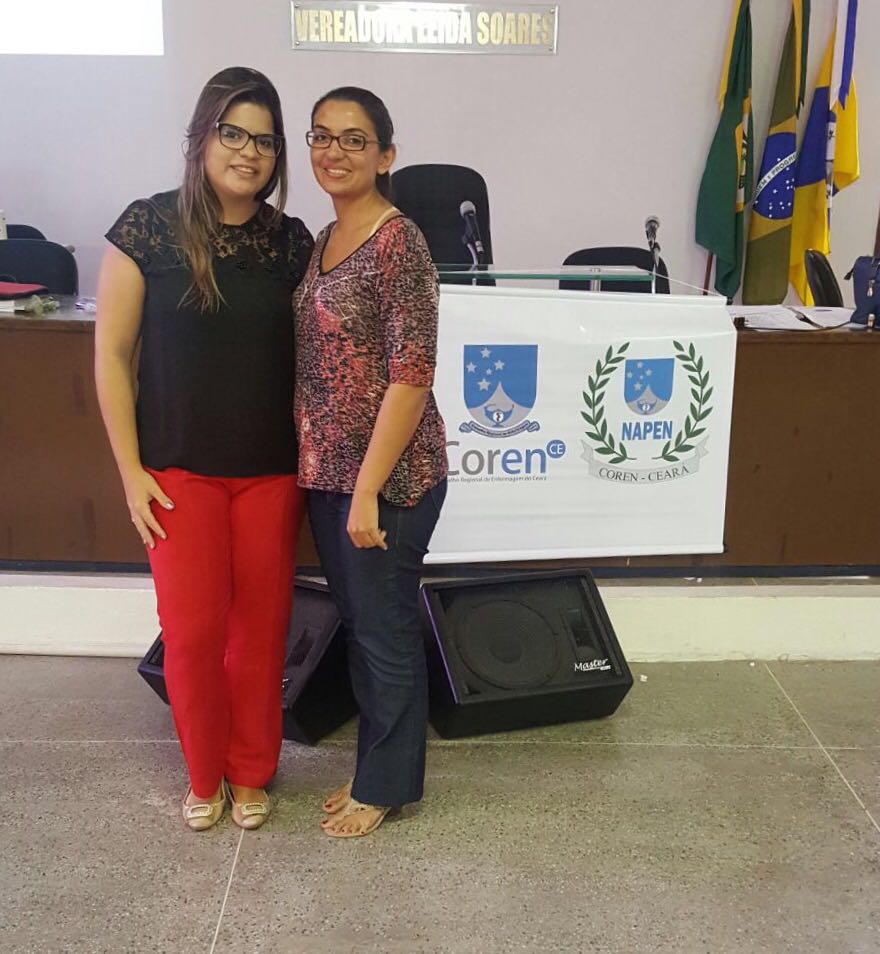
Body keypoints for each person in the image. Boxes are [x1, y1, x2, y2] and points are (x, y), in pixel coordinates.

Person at [95, 67, 313, 831]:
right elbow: (111, 356)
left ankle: (251, 770)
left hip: (270, 474)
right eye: (233, 132)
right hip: (176, 474)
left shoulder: (291, 243)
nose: (249, 151)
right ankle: (203, 774)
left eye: (265, 140)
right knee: (191, 636)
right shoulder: (147, 227)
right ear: (201, 136)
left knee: (259, 637)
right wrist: (130, 473)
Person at [294, 87, 448, 838]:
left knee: (383, 630)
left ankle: (385, 786)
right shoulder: (324, 237)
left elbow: (412, 374)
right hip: (328, 474)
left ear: (386, 155)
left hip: (389, 481)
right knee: (362, 625)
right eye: (322, 136)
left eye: (354, 139)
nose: (335, 151)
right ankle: (374, 769)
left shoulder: (398, 241)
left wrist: (366, 492)